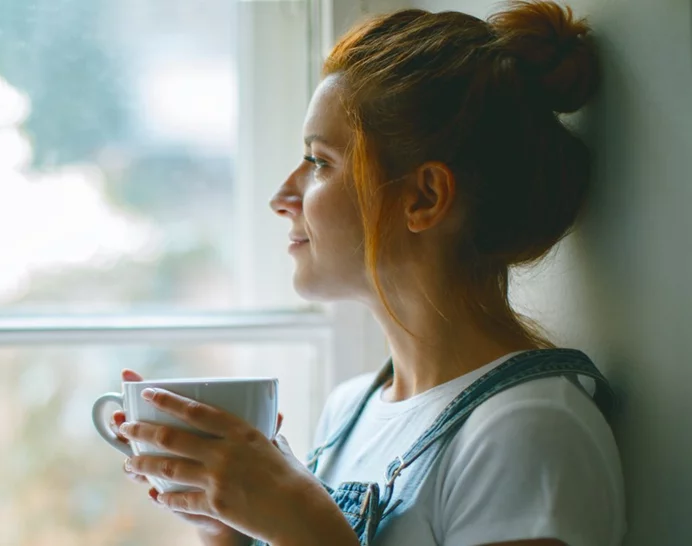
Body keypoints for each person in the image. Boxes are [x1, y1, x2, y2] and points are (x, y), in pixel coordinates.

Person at [107, 1, 626, 545]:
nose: (283, 197)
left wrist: (303, 525)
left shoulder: (529, 430)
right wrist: (230, 526)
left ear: (424, 197)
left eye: (320, 162)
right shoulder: (349, 411)